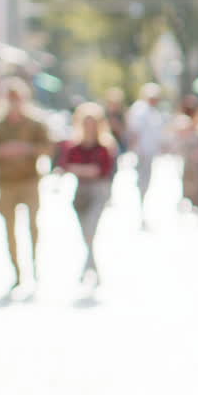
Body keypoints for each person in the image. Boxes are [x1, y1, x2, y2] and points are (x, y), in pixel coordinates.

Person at [0, 78, 52, 289]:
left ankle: (35, 264)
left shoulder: (35, 123)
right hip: (6, 183)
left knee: (33, 226)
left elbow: (49, 148)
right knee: (9, 229)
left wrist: (28, 149)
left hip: (29, 180)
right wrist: (3, 151)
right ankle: (17, 271)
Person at [59, 102, 117, 285]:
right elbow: (66, 165)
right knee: (85, 233)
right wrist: (86, 170)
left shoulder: (105, 146)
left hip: (98, 191)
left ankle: (89, 270)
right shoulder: (74, 145)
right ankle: (92, 269)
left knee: (91, 230)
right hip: (81, 192)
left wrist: (82, 170)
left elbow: (102, 170)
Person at [126, 82, 167, 223]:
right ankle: (139, 208)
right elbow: (135, 131)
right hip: (142, 151)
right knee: (142, 180)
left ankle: (142, 207)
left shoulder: (152, 111)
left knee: (146, 180)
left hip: (149, 151)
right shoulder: (140, 109)